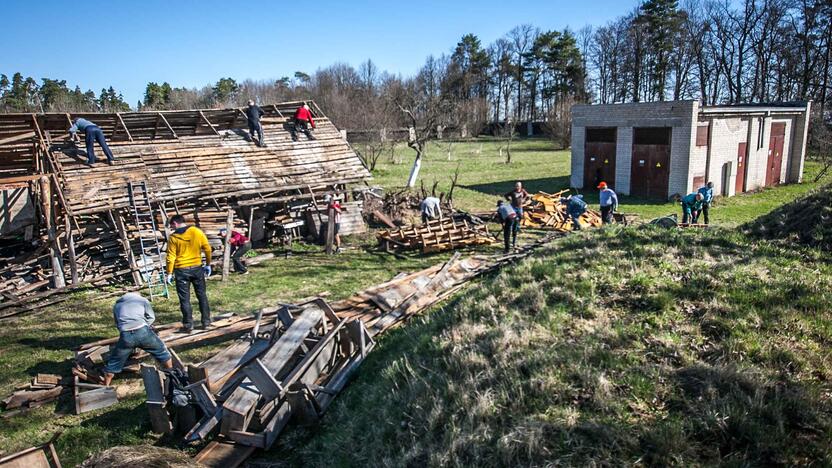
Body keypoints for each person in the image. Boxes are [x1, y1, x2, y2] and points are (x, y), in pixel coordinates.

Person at [101, 292, 172, 386]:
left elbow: (118, 324)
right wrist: (146, 325)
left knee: (114, 361)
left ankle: (106, 385)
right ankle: (172, 373)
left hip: (126, 335)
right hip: (143, 331)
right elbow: (151, 317)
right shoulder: (142, 300)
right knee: (162, 351)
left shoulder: (117, 305)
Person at [165, 215, 212, 332]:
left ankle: (188, 325)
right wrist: (208, 264)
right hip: (197, 268)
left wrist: (169, 273)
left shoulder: (173, 237)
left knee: (184, 299)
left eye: (171, 225)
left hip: (181, 270)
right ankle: (206, 322)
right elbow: (207, 248)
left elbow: (171, 257)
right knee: (202, 296)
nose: (171, 228)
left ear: (175, 223)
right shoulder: (196, 231)